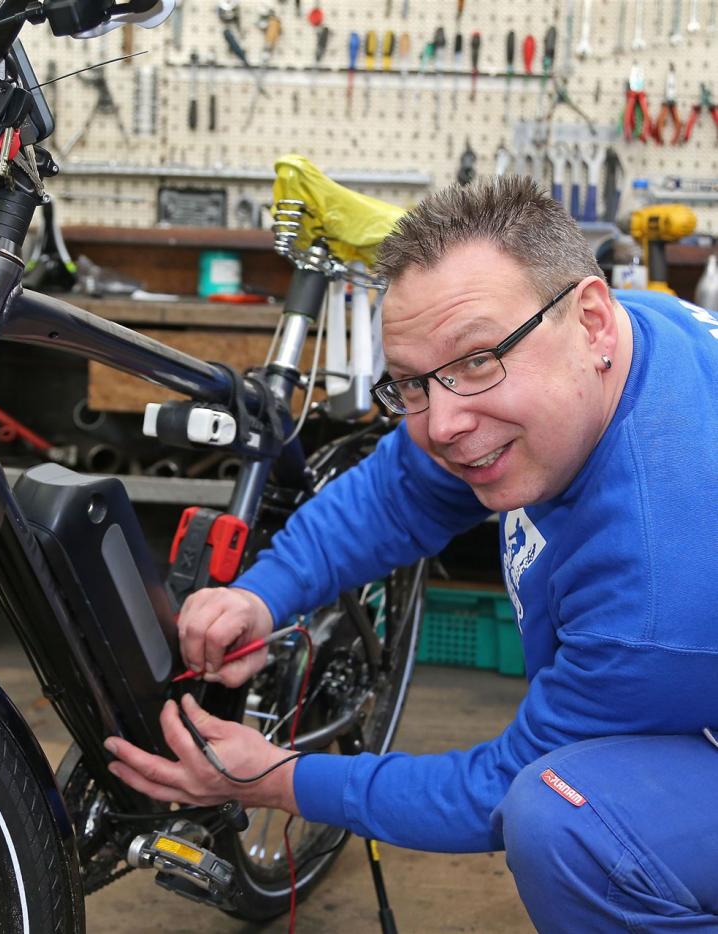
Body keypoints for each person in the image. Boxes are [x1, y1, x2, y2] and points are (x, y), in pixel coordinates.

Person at [104, 176, 718, 932]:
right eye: (412, 385)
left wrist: (280, 779)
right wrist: (262, 594)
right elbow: (403, 490)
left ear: (590, 319)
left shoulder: (660, 582)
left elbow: (498, 786)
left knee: (565, 820)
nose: (445, 422)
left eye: (478, 359)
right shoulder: (614, 341)